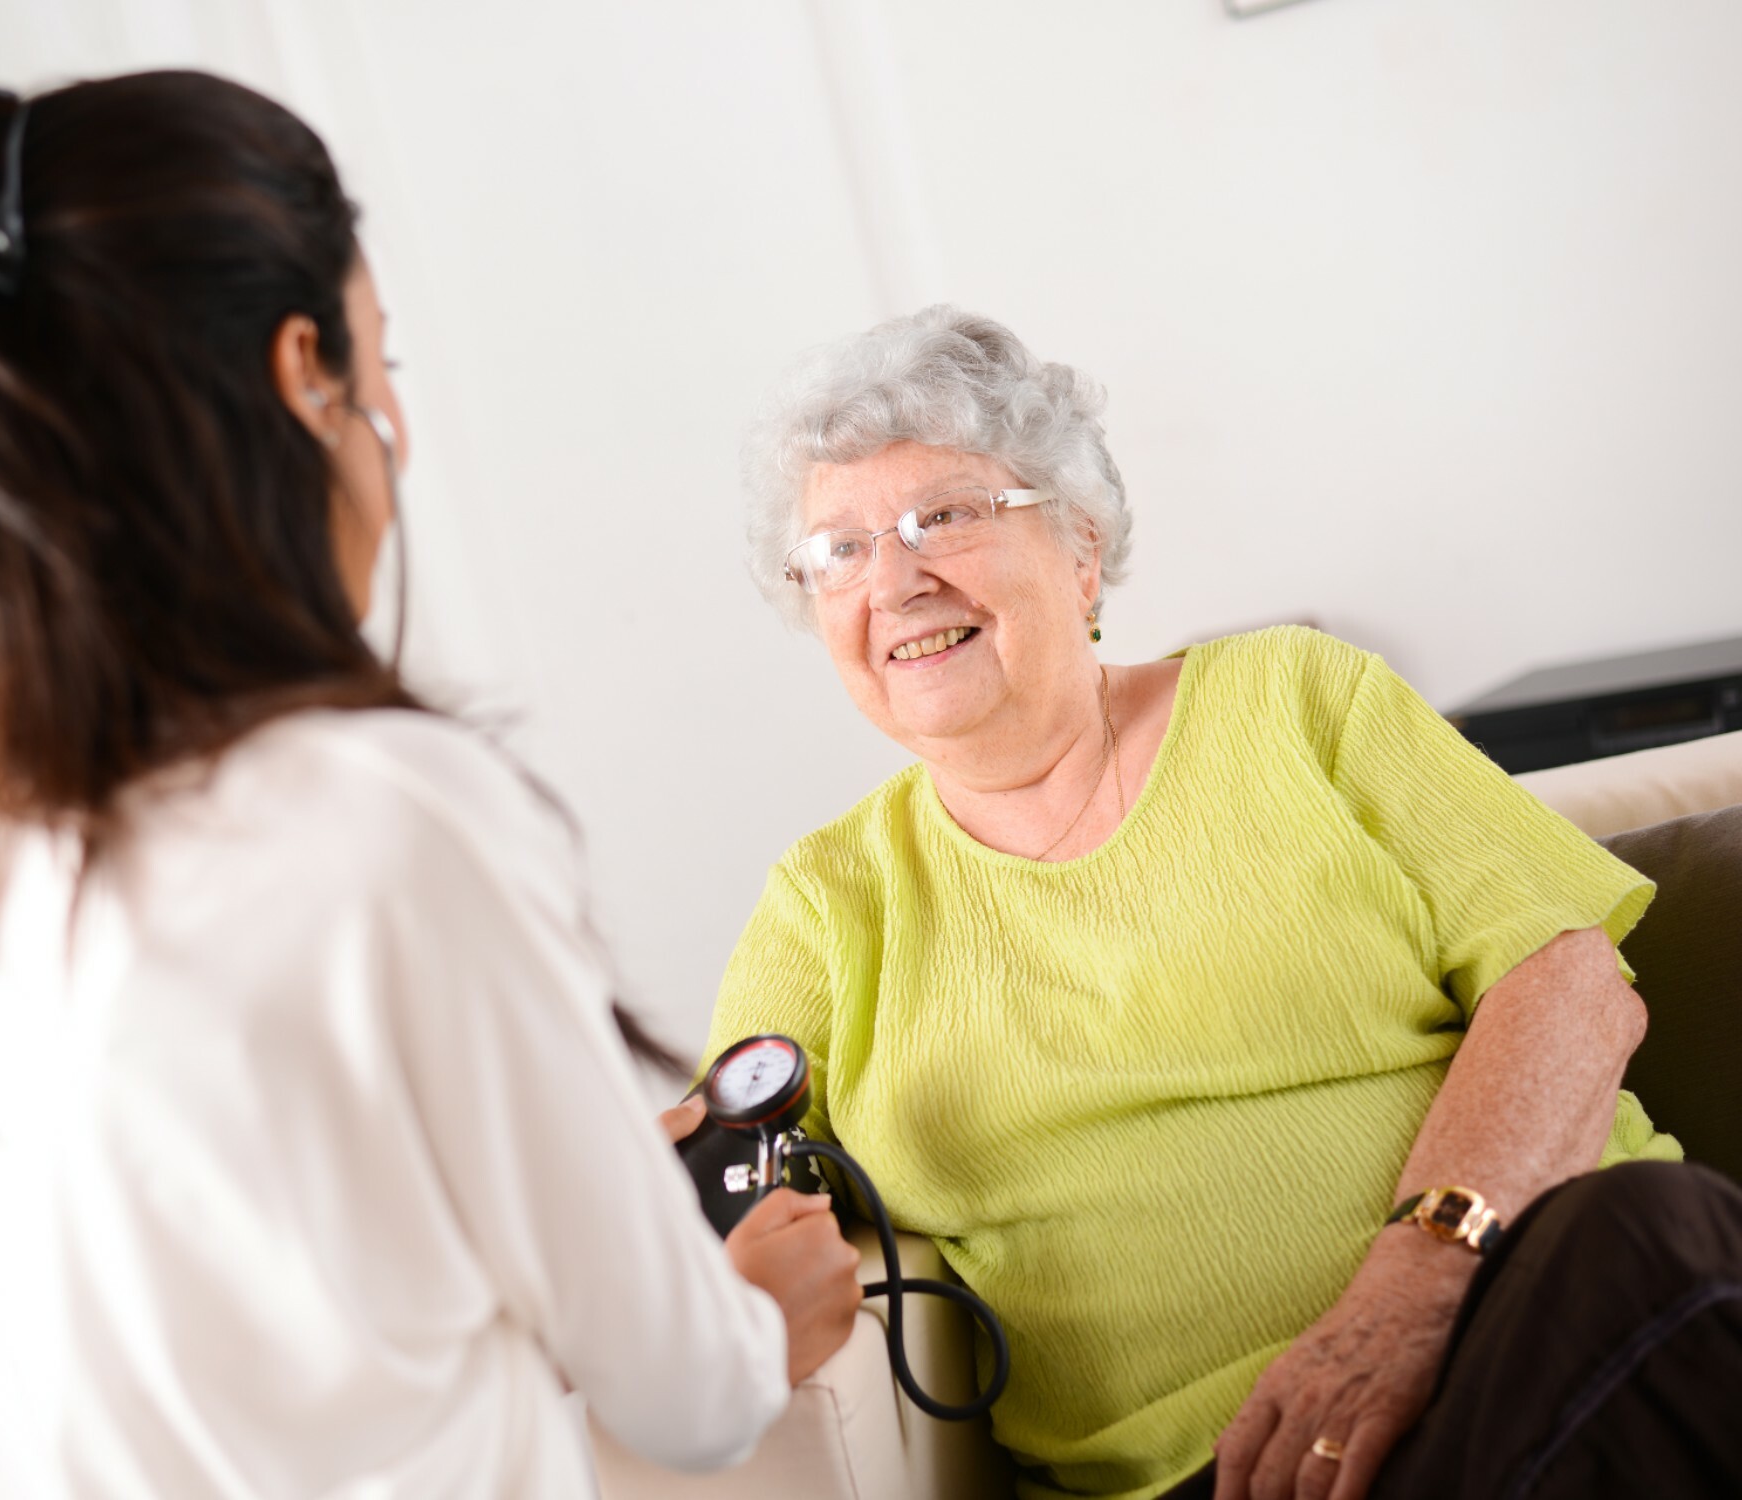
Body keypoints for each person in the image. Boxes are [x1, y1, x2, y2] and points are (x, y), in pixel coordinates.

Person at [0, 70, 862, 1500]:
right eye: (384, 366)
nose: (397, 435)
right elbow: (688, 1399)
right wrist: (762, 1316)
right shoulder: (387, 817)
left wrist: (583, 1174)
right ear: (303, 372)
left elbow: (254, 1333)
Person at [704, 303, 1742, 1499]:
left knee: (1649, 1234)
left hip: (1541, 1336)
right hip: (1225, 1482)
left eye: (943, 515)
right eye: (836, 550)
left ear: (1080, 548)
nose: (892, 578)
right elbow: (709, 1181)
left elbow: (1568, 987)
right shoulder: (825, 902)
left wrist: (1412, 1283)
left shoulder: (1297, 700)